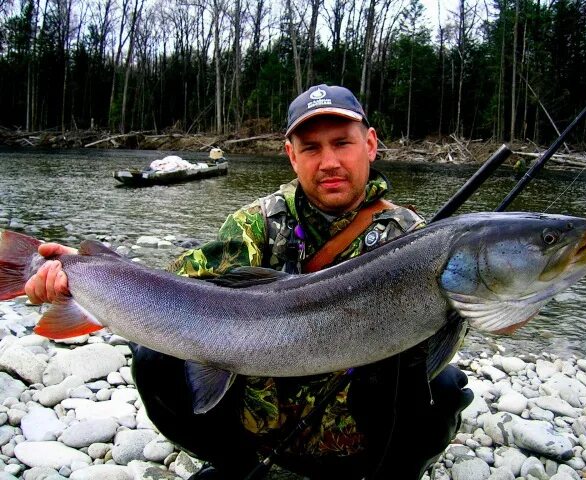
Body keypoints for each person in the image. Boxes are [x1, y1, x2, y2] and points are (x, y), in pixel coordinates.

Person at [25, 84, 473, 480]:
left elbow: (445, 337)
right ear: (291, 154)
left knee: (446, 385)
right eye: (312, 148)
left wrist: (496, 309)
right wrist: (81, 273)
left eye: (343, 143)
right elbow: (171, 291)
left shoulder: (411, 238)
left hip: (355, 429)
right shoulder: (256, 224)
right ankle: (241, 468)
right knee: (153, 359)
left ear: (371, 145)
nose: (330, 161)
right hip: (263, 421)